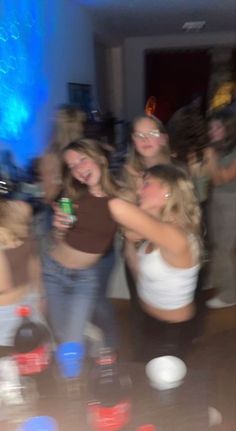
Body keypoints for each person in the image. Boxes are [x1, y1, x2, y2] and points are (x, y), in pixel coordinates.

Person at [109, 164, 201, 358]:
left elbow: (116, 206)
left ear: (167, 190)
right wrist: (129, 240)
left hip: (171, 334)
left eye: (147, 184)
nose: (140, 189)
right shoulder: (158, 231)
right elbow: (137, 271)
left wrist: (131, 192)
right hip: (148, 321)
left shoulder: (177, 236)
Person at [42, 139, 119, 347]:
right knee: (59, 331)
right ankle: (88, 337)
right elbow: (58, 239)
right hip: (53, 272)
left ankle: (89, 346)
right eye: (72, 166)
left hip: (84, 278)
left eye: (82, 160)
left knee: (71, 341)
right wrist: (59, 227)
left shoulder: (119, 197)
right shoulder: (73, 195)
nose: (78, 169)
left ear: (99, 158)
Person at [120, 114, 171, 308]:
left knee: (166, 308)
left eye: (152, 133)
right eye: (139, 135)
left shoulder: (179, 171)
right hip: (137, 251)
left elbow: (183, 216)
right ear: (133, 140)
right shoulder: (127, 173)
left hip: (168, 253)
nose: (145, 139)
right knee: (140, 308)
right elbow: (125, 226)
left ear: (164, 138)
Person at [0, 198, 45, 347]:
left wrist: (40, 295)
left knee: (21, 360)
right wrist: (40, 294)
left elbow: (3, 286)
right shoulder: (19, 211)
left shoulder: (17, 211)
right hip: (26, 300)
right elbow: (34, 263)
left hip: (13, 309)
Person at [204, 111, 236, 308]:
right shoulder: (218, 149)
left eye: (218, 127)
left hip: (231, 201)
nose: (212, 131)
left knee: (223, 248)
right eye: (211, 127)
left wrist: (210, 157)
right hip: (216, 199)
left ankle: (230, 295)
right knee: (216, 245)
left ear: (229, 129)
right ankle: (222, 283)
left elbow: (221, 178)